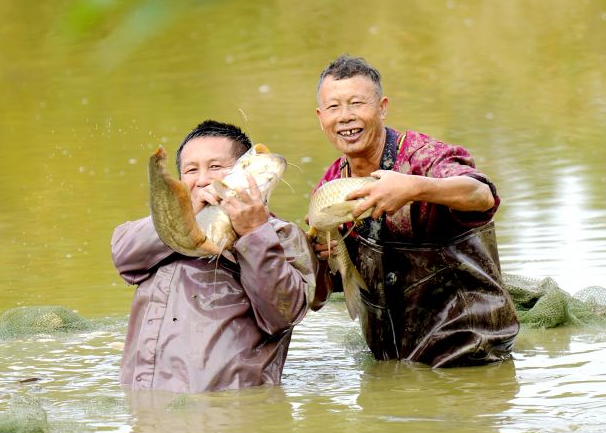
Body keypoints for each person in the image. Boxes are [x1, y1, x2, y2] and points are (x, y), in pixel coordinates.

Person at [311, 54, 519, 367]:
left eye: (357, 103)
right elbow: (319, 296)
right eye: (334, 107)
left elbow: (482, 195)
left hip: (469, 347)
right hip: (393, 357)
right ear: (320, 117)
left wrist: (412, 187)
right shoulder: (329, 185)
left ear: (382, 108)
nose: (345, 116)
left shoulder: (424, 157)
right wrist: (322, 259)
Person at [111, 120, 316, 393]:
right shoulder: (162, 228)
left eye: (216, 167)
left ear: (248, 174)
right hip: (148, 407)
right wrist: (184, 214)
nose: (203, 180)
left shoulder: (280, 234)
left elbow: (283, 314)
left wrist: (253, 233)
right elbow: (123, 256)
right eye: (191, 170)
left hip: (229, 410)